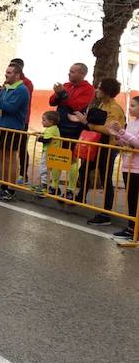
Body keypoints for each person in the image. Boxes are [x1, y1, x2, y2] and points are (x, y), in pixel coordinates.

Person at [70, 77, 125, 226]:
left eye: (99, 88)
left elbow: (109, 129)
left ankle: (106, 213)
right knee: (84, 169)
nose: (97, 90)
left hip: (108, 147)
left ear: (106, 91)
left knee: (105, 178)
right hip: (97, 145)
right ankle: (81, 196)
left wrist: (88, 124)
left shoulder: (114, 108)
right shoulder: (103, 104)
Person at [0, 62, 30, 201]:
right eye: (6, 72)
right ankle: (3, 185)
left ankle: (10, 188)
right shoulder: (6, 88)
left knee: (10, 159)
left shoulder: (21, 90)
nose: (6, 74)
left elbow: (11, 108)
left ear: (17, 75)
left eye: (9, 72)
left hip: (13, 128)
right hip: (2, 126)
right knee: (0, 157)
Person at [49, 62, 95, 199]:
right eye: (69, 71)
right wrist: (58, 94)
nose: (69, 74)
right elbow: (51, 101)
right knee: (57, 155)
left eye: (73, 72)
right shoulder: (66, 85)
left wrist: (63, 94)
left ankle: (70, 189)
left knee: (73, 158)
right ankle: (54, 186)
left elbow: (77, 105)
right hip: (60, 124)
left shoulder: (88, 89)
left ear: (82, 74)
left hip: (74, 127)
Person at [108, 96, 139, 240]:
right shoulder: (133, 123)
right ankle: (131, 227)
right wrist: (116, 135)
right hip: (128, 164)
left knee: (135, 198)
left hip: (137, 167)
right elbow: (128, 141)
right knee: (131, 198)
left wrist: (121, 131)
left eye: (133, 106)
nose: (130, 108)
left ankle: (135, 229)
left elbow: (137, 143)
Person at [9, 58, 34, 181]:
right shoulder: (8, 82)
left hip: (21, 120)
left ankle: (23, 174)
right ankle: (6, 172)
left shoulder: (26, 84)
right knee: (7, 148)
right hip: (8, 119)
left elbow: (16, 100)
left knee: (21, 147)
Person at [32, 111, 62, 194]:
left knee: (44, 168)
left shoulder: (50, 129)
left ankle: (44, 185)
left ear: (51, 122)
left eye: (44, 120)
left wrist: (39, 138)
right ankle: (44, 184)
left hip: (49, 152)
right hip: (52, 151)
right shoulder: (54, 128)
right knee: (47, 168)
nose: (42, 122)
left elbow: (47, 140)